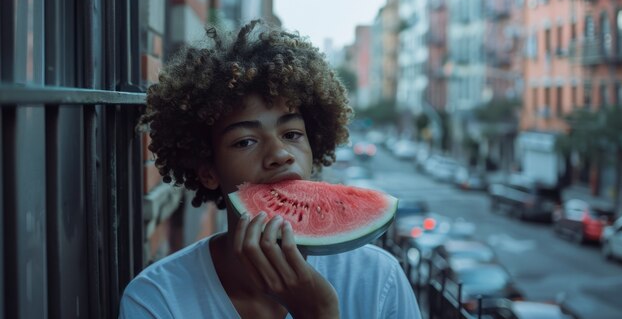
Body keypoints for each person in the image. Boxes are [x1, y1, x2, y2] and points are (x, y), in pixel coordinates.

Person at [119, 19, 421, 319]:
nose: (280, 154)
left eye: (292, 135)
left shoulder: (380, 280)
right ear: (208, 171)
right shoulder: (156, 300)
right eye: (245, 141)